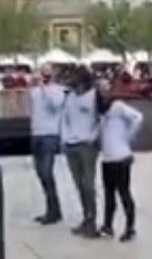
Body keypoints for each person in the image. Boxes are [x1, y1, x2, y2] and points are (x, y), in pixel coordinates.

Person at [96, 87, 142, 243]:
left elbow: (138, 117)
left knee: (124, 193)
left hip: (121, 157)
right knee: (109, 195)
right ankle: (107, 225)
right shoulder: (101, 114)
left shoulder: (118, 107)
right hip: (107, 158)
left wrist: (129, 136)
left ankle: (130, 228)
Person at [61, 68, 100, 239]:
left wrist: (93, 137)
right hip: (71, 144)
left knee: (88, 185)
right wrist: (65, 138)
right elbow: (65, 118)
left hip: (87, 145)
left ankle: (92, 221)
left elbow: (101, 119)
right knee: (79, 184)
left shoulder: (94, 96)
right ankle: (86, 217)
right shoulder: (70, 97)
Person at [27, 65, 66, 225]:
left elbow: (55, 105)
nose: (44, 76)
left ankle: (54, 211)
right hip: (36, 133)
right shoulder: (35, 91)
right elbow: (29, 107)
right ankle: (51, 208)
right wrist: (32, 85)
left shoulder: (58, 91)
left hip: (50, 134)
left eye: (47, 74)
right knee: (40, 173)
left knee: (47, 172)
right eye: (42, 73)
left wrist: (44, 88)